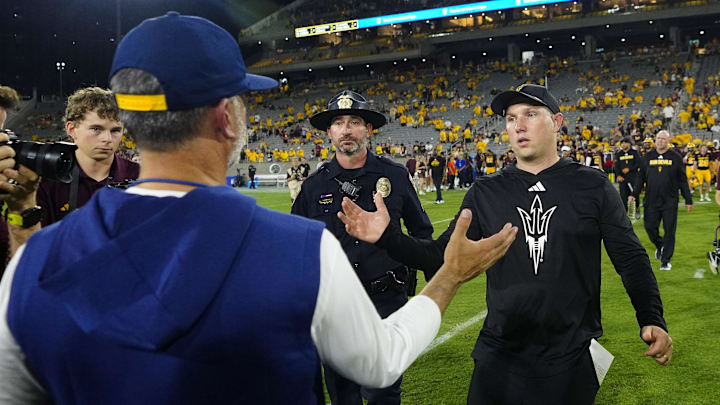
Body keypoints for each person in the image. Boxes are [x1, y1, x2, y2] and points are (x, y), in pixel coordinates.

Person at [0, 13, 518, 405]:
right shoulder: (300, 250)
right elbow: (380, 361)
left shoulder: (32, 261)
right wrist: (449, 276)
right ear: (227, 118)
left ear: (128, 124)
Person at [338, 84, 673, 404]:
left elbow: (630, 258)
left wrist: (652, 317)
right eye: (511, 119)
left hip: (569, 356)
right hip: (499, 354)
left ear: (556, 122)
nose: (518, 126)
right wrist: (388, 237)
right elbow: (438, 257)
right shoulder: (486, 192)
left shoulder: (592, 185)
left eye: (530, 114)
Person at [291, 89, 436, 405]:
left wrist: (427, 281)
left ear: (368, 129)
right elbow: (298, 244)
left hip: (386, 300)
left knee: (384, 391)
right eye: (339, 123)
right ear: (329, 132)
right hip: (336, 306)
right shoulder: (313, 186)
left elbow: (422, 230)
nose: (346, 130)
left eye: (354, 121)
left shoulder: (394, 176)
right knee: (343, 393)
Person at [642, 130, 693, 271]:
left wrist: (688, 199)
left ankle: (665, 261)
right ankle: (660, 246)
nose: (660, 141)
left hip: (670, 201)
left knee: (669, 231)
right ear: (655, 140)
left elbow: (683, 180)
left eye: (663, 139)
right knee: (649, 227)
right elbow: (641, 177)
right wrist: (634, 193)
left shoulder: (676, 157)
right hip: (651, 200)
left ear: (668, 141)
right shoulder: (647, 157)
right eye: (658, 138)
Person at [614, 137, 642, 218]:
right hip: (623, 178)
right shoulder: (619, 154)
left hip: (633, 177)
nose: (623, 145)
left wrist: (629, 168)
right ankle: (624, 213)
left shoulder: (634, 153)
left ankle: (636, 209)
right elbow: (617, 166)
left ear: (629, 144)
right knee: (623, 196)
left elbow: (639, 163)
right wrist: (618, 175)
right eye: (621, 143)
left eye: (625, 143)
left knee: (634, 194)